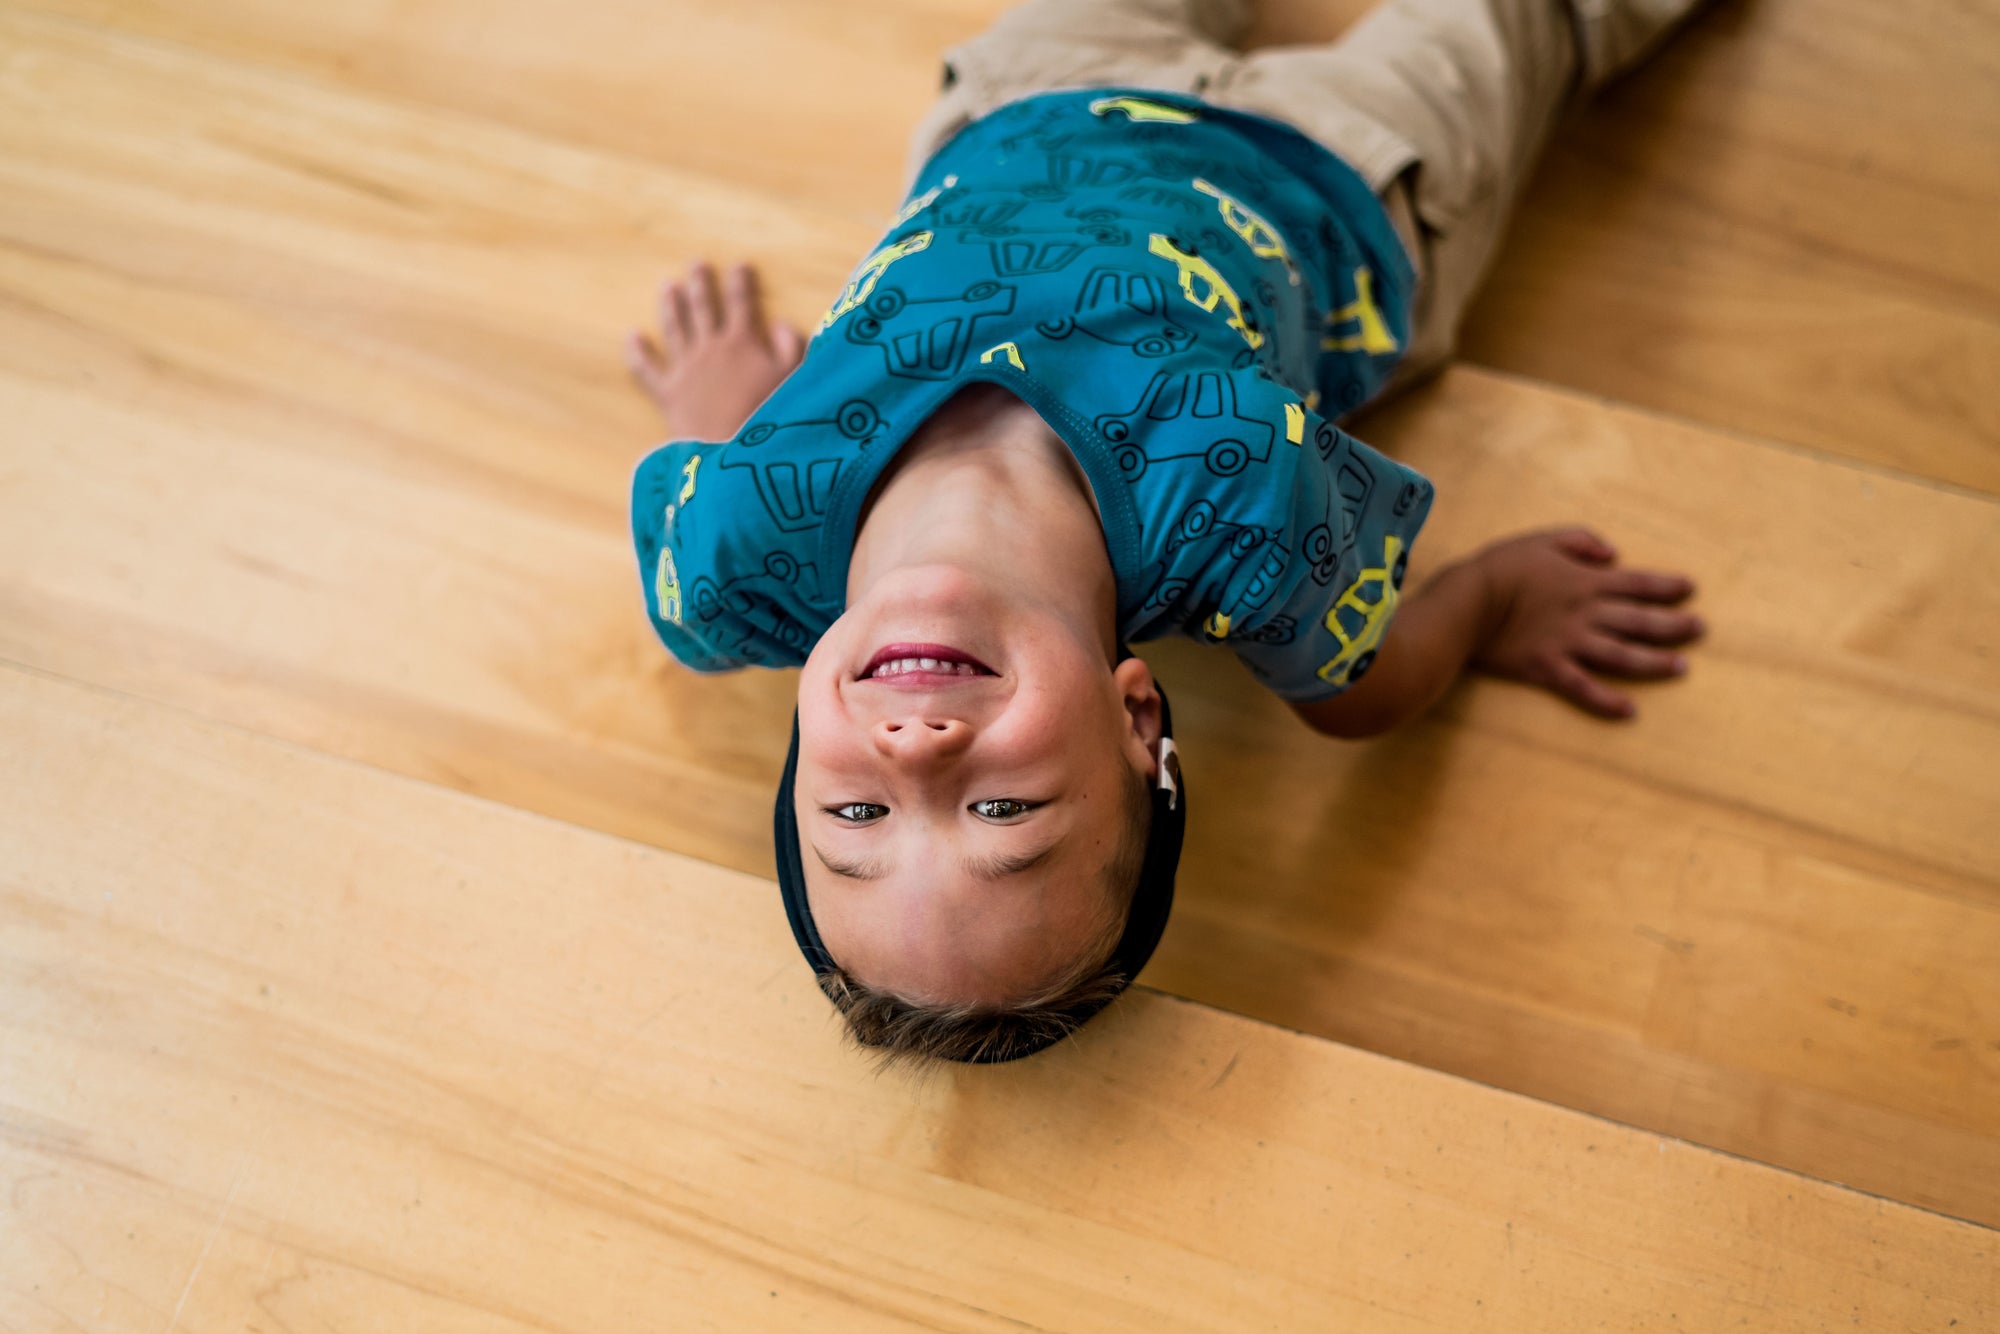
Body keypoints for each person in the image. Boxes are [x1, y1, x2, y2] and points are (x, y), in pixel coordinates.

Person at [623, 0, 1709, 1063]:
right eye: (1001, 806)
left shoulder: (721, 560)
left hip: (1035, 92)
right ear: (1137, 718)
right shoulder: (1246, 535)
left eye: (855, 809)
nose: (916, 752)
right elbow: (1361, 699)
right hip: (1341, 178)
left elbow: (709, 477)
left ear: (808, 742)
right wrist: (1490, 600)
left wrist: (719, 413)